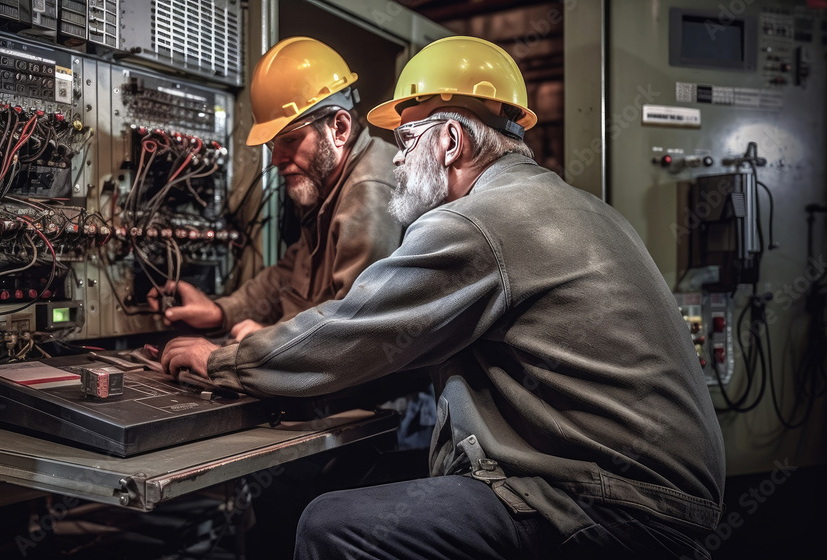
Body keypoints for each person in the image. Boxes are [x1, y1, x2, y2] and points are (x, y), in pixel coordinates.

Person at [161, 35, 726, 560]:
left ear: (451, 141)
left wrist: (221, 360)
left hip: (612, 508)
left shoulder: (476, 221)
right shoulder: (577, 206)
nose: (397, 158)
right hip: (648, 497)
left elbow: (354, 329)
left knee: (328, 523)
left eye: (407, 141)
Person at [149, 36, 403, 343]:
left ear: (340, 128)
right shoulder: (329, 184)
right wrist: (221, 312)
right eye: (273, 143)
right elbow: (290, 276)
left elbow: (350, 334)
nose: (276, 159)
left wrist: (266, 345)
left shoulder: (368, 193)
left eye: (290, 140)